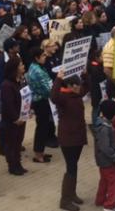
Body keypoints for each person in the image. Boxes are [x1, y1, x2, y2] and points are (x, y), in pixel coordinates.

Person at [51, 68, 89, 211]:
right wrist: (59, 79)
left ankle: (72, 194)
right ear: (70, 86)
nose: (80, 88)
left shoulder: (77, 95)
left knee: (74, 166)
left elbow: (88, 87)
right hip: (68, 138)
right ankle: (65, 200)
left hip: (78, 137)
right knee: (71, 167)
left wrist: (85, 74)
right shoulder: (63, 97)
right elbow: (53, 96)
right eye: (77, 85)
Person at [0, 55, 28, 175]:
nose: (23, 66)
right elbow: (8, 104)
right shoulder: (7, 85)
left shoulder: (21, 81)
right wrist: (15, 118)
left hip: (21, 117)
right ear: (15, 68)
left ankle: (18, 163)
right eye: (21, 65)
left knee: (18, 142)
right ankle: (12, 165)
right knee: (11, 143)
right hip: (12, 121)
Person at [93, 99, 115, 211]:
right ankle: (110, 206)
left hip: (103, 160)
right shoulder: (105, 129)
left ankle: (100, 200)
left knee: (105, 180)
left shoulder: (101, 123)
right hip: (108, 160)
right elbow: (105, 147)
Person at [27, 47, 53, 164]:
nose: (45, 57)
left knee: (43, 126)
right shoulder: (37, 71)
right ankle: (38, 154)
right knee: (42, 127)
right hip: (41, 101)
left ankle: (40, 151)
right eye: (42, 55)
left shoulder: (35, 67)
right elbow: (47, 89)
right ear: (36, 58)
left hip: (41, 100)